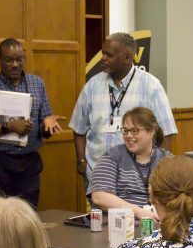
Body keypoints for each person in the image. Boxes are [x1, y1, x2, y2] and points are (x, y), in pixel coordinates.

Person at [0, 38, 66, 206]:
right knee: (3, 216)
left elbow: (45, 122)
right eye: (9, 60)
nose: (15, 64)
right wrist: (9, 126)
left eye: (19, 59)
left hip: (30, 163)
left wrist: (47, 126)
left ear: (24, 58)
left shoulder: (37, 84)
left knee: (29, 214)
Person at [70, 32, 177, 179]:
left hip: (137, 178)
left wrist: (158, 170)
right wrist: (81, 161)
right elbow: (78, 129)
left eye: (109, 55)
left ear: (127, 57)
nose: (103, 58)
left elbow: (167, 132)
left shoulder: (151, 86)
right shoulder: (92, 86)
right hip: (97, 175)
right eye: (103, 54)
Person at [88, 107, 171, 220]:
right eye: (125, 131)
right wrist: (140, 213)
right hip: (121, 225)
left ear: (152, 131)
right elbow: (99, 197)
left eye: (134, 131)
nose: (129, 136)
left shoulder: (167, 160)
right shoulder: (113, 156)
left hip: (161, 223)